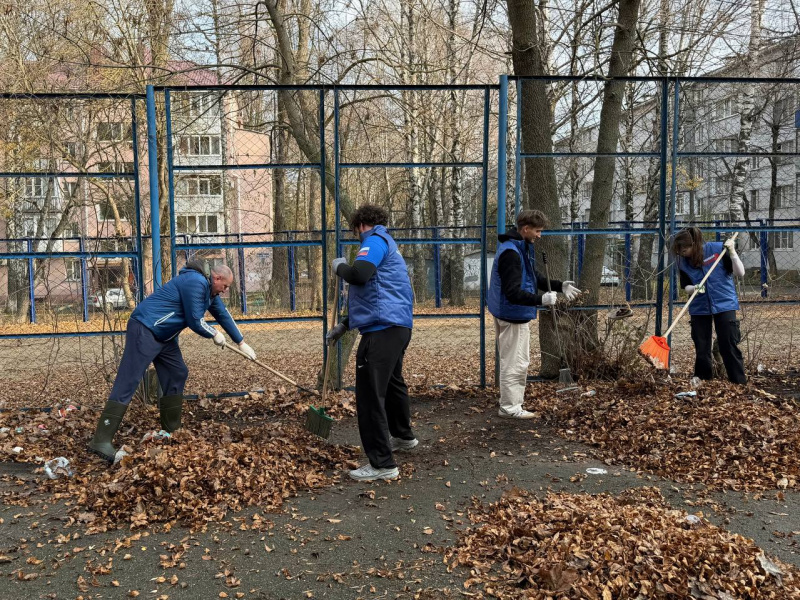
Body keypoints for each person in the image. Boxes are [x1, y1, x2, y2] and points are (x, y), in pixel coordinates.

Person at [88, 261, 256, 462]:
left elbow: (223, 314)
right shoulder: (195, 282)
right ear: (217, 278)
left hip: (164, 336)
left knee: (177, 372)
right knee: (129, 380)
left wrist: (241, 343)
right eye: (225, 286)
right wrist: (214, 334)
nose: (225, 291)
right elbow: (195, 320)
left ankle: (171, 430)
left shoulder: (210, 293)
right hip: (146, 328)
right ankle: (101, 440)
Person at [326, 204, 415, 482]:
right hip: (396, 326)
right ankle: (403, 436)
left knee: (369, 397)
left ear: (359, 225)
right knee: (392, 384)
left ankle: (381, 464)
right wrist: (344, 324)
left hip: (381, 331)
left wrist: (340, 266)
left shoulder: (374, 241)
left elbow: (360, 276)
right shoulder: (389, 244)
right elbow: (376, 294)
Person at [487, 210, 580, 418]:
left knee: (515, 360)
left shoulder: (519, 247)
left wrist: (558, 286)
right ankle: (510, 408)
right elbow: (513, 293)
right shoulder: (511, 253)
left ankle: (510, 404)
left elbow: (532, 276)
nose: (540, 235)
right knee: (516, 362)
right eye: (537, 231)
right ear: (526, 229)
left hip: (511, 312)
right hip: (513, 315)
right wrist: (541, 299)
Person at [672, 227, 746, 384]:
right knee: (702, 346)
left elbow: (740, 273)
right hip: (699, 306)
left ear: (694, 244)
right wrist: (694, 289)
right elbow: (685, 286)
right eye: (679, 251)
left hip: (724, 302)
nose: (682, 253)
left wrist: (732, 252)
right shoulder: (682, 262)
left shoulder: (718, 250)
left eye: (685, 249)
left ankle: (739, 382)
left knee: (728, 344)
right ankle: (704, 381)